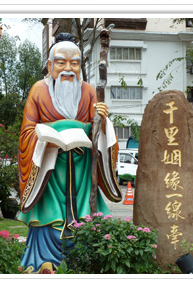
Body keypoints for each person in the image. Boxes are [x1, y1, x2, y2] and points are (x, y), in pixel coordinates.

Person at [18, 34, 122, 273]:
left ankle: (83, 264)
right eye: (61, 62)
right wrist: (52, 134)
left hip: (82, 171)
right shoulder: (38, 91)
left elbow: (99, 132)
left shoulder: (88, 92)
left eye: (74, 63)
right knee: (50, 222)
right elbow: (26, 134)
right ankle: (43, 263)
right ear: (50, 64)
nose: (68, 69)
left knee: (84, 221)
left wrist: (102, 121)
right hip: (49, 171)